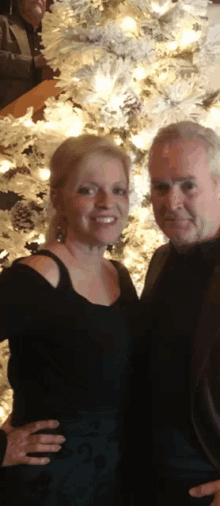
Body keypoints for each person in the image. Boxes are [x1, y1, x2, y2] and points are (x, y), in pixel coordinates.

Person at [0, 134, 138, 505]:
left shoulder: (119, 275)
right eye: (89, 190)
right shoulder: (35, 277)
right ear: (59, 199)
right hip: (49, 487)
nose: (108, 203)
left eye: (119, 190)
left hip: (114, 480)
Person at [139, 120, 220, 505]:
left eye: (189, 185)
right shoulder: (161, 259)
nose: (172, 202)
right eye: (160, 186)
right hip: (146, 478)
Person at [0, 0, 56, 110]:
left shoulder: (56, 33)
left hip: (48, 111)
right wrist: (34, 62)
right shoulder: (3, 23)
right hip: (9, 110)